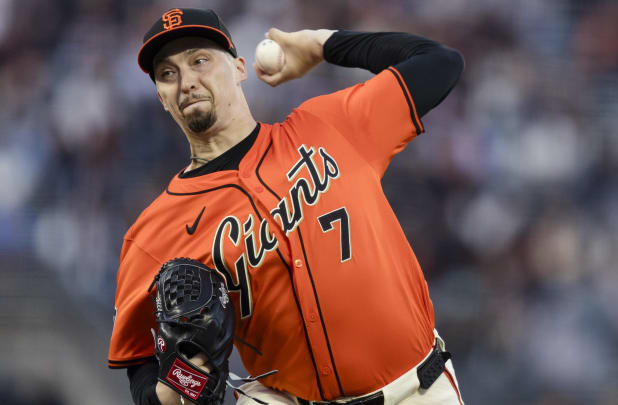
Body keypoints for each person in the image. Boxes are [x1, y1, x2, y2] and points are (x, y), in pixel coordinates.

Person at [108, 7, 465, 405]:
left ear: (240, 68)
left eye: (200, 61)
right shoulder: (152, 234)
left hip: (416, 390)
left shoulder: (329, 126)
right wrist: (183, 384)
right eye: (168, 74)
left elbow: (440, 63)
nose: (187, 81)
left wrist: (322, 44)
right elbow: (141, 366)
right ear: (161, 97)